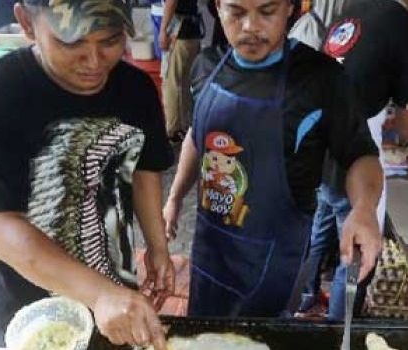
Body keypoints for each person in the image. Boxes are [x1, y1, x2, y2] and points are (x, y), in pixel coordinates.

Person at [0, 1, 174, 349]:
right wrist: (100, 295)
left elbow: (145, 167)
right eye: (71, 44)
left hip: (117, 301)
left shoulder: (136, 88)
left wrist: (157, 245)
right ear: (27, 22)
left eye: (110, 40)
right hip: (33, 316)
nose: (94, 62)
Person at [162, 0, 384, 317]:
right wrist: (173, 198)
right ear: (218, 7)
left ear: (289, 8)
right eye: (236, 13)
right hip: (212, 251)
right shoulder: (207, 66)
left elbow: (360, 154)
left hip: (274, 261)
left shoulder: (320, 78)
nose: (251, 27)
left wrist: (363, 208)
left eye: (267, 12)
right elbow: (198, 137)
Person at [294, 0, 408, 320]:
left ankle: (305, 298)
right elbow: (407, 125)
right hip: (350, 146)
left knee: (323, 218)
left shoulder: (356, 7)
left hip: (315, 136)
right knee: (358, 239)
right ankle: (337, 325)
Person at [159, 0, 203, 144]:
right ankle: (186, 126)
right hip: (193, 30)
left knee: (172, 82)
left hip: (180, 31)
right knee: (184, 82)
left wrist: (163, 30)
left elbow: (171, 2)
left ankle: (174, 131)